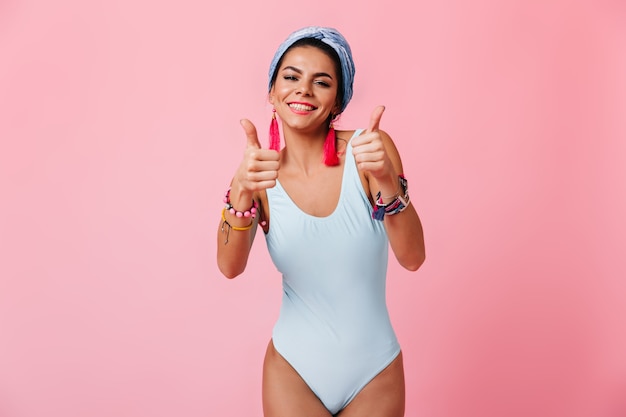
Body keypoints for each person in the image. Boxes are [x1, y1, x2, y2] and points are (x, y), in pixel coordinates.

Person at [217, 26, 425, 417]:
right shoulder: (257, 172)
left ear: (337, 102)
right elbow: (230, 267)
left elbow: (413, 257)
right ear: (272, 93)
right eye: (291, 77)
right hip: (293, 370)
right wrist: (240, 192)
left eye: (322, 82)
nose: (303, 91)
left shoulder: (370, 152)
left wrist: (386, 182)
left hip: (374, 371)